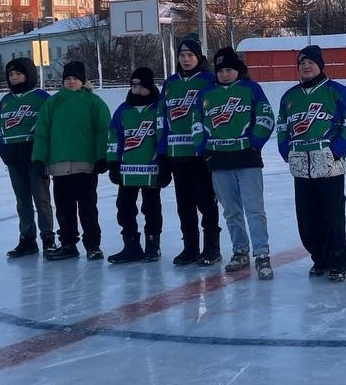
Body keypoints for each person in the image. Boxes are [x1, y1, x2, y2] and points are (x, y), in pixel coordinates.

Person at [277, 45, 346, 282]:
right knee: (307, 219)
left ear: (320, 65)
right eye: (302, 63)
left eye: (311, 62)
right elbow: (282, 128)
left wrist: (335, 151)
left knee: (332, 216)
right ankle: (319, 258)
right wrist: (286, 151)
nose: (306, 66)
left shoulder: (337, 92)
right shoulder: (290, 97)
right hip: (301, 167)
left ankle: (337, 261)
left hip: (329, 166)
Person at [198, 47, 275, 280]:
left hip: (247, 159)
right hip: (219, 160)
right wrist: (203, 149)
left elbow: (265, 116)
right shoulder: (207, 93)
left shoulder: (251, 89)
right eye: (220, 70)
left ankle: (262, 253)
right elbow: (196, 123)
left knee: (254, 209)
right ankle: (240, 250)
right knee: (231, 210)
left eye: (229, 69)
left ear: (239, 70)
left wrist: (255, 143)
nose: (224, 74)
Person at [32, 60, 111, 261]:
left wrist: (103, 156)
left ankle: (93, 245)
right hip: (59, 167)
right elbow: (42, 132)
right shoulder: (53, 102)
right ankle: (68, 244)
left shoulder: (94, 103)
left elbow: (103, 131)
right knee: (64, 209)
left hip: (86, 166)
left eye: (75, 78)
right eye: (68, 78)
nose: (71, 81)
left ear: (83, 80)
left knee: (87, 208)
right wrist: (39, 159)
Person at [159, 36, 222, 266]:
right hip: (177, 155)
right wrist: (162, 151)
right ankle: (190, 247)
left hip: (201, 154)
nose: (186, 59)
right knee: (183, 203)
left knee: (205, 201)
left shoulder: (209, 80)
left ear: (199, 57)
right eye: (182, 55)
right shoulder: (170, 83)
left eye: (190, 55)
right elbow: (161, 118)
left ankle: (212, 248)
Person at [106, 67, 172, 264]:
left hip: (151, 169)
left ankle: (152, 244)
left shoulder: (158, 108)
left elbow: (162, 137)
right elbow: (113, 137)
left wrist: (164, 162)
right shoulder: (123, 110)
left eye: (140, 85)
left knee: (151, 208)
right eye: (133, 85)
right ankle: (131, 244)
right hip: (127, 170)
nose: (136, 89)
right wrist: (113, 162)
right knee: (125, 207)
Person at [0, 57, 55, 259]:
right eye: (11, 75)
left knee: (42, 199)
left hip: (35, 158)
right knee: (22, 201)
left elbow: (50, 125)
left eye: (18, 73)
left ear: (28, 74)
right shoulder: (6, 101)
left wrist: (42, 151)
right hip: (13, 158)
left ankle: (48, 238)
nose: (14, 77)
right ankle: (27, 239)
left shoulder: (42, 97)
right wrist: (1, 148)